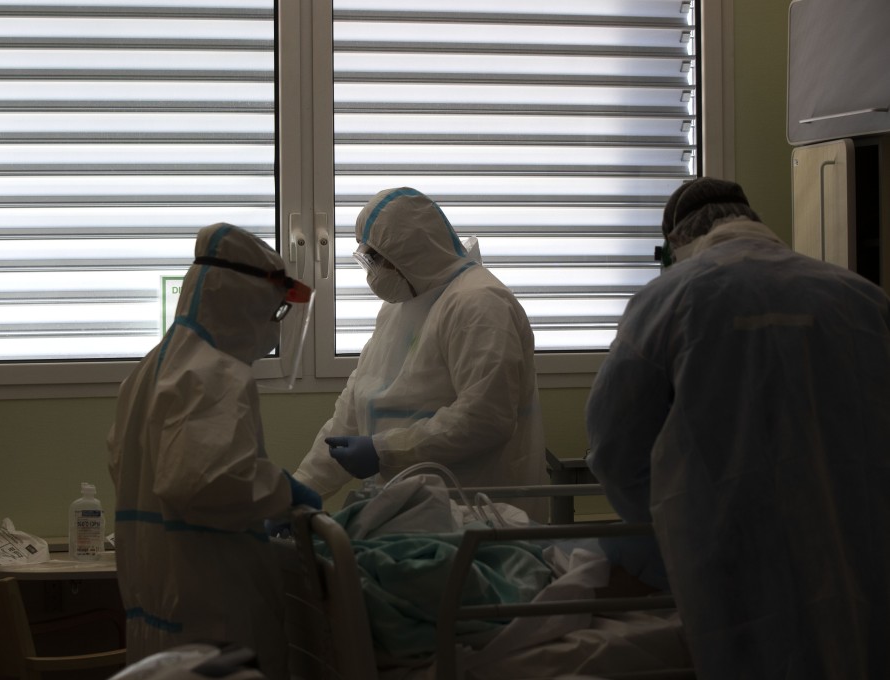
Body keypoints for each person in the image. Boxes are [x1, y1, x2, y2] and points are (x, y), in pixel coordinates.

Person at [585, 177, 890, 679]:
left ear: (677, 242)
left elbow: (614, 446)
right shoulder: (861, 298)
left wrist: (667, 525)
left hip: (725, 544)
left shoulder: (668, 300)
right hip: (856, 536)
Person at [107, 223, 321, 678]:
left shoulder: (150, 370)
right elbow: (202, 484)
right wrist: (282, 491)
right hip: (212, 615)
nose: (275, 330)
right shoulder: (217, 374)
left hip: (159, 612)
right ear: (245, 301)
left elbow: (129, 467)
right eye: (276, 311)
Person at [294, 187, 548, 520]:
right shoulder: (400, 307)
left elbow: (485, 418)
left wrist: (384, 450)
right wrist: (302, 486)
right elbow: (354, 410)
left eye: (378, 259)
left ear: (413, 253)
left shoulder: (479, 303)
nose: (372, 272)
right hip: (411, 508)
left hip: (478, 511)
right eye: (366, 258)